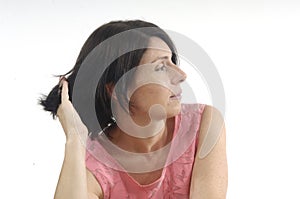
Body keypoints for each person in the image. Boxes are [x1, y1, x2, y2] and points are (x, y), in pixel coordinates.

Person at [40, 20, 228, 199]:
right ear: (114, 88)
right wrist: (75, 139)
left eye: (172, 62)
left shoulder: (202, 123)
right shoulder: (94, 164)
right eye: (161, 67)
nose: (181, 75)